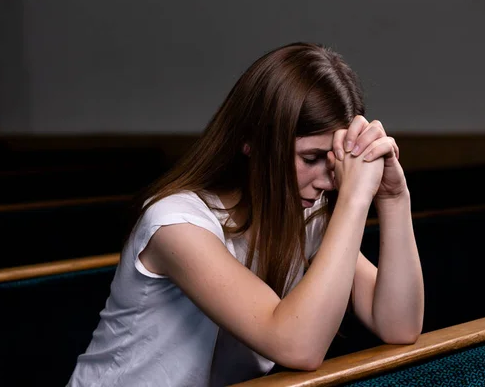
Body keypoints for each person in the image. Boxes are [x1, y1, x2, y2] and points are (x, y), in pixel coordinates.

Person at [66, 42, 424, 387]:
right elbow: (298, 346)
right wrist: (354, 199)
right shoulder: (175, 224)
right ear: (251, 141)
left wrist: (393, 198)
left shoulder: (303, 216)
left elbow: (399, 325)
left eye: (335, 162)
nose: (329, 181)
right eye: (311, 159)